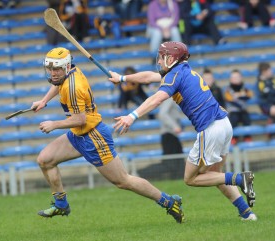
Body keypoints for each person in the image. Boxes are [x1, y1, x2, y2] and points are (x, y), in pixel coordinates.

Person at [30, 47, 184, 224]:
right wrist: (43, 101)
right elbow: (58, 84)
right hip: (77, 135)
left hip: (93, 137)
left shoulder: (74, 87)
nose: (52, 73)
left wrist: (54, 124)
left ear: (66, 67)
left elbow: (80, 119)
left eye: (56, 69)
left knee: (123, 181)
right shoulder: (69, 72)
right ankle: (61, 203)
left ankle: (168, 201)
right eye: (50, 69)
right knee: (45, 160)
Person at [109, 41, 257, 221]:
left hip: (210, 128)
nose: (159, 61)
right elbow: (149, 77)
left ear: (171, 58)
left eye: (162, 57)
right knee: (217, 176)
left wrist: (131, 116)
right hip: (224, 124)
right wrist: (122, 78)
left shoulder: (174, 75)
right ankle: (246, 214)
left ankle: (241, 179)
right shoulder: (183, 71)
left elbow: (157, 99)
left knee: (191, 179)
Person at [224, 69, 253, 145]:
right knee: (233, 121)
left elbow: (249, 95)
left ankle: (247, 136)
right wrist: (241, 95)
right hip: (233, 111)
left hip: (243, 110)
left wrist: (238, 96)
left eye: (237, 77)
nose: (235, 79)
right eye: (233, 77)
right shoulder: (228, 89)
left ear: (241, 78)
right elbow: (230, 99)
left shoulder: (245, 88)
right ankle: (234, 137)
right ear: (230, 79)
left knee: (247, 120)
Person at [158, 97, 185, 178]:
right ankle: (141, 174)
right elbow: (162, 114)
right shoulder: (169, 98)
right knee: (170, 164)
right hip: (169, 134)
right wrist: (175, 126)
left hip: (172, 135)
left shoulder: (171, 99)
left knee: (178, 161)